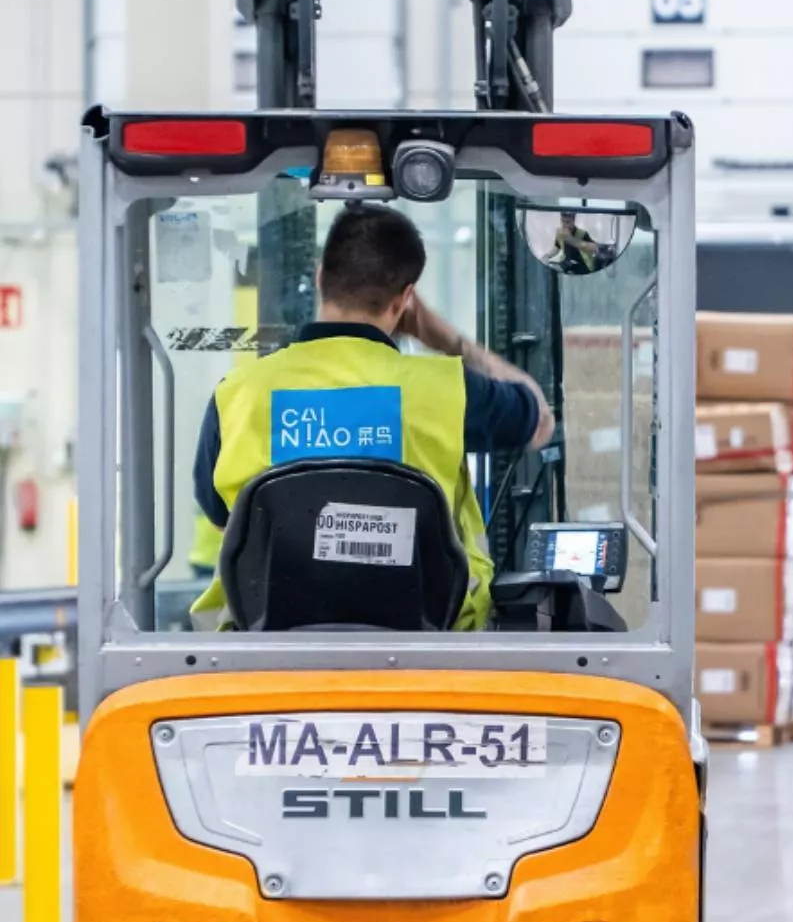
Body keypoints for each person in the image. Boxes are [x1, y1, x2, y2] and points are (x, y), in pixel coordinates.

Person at [189, 203, 555, 630]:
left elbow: (222, 520)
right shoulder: (448, 389)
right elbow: (540, 420)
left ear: (321, 275)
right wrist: (445, 338)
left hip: (265, 653)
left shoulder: (238, 393)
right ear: (404, 299)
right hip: (431, 652)